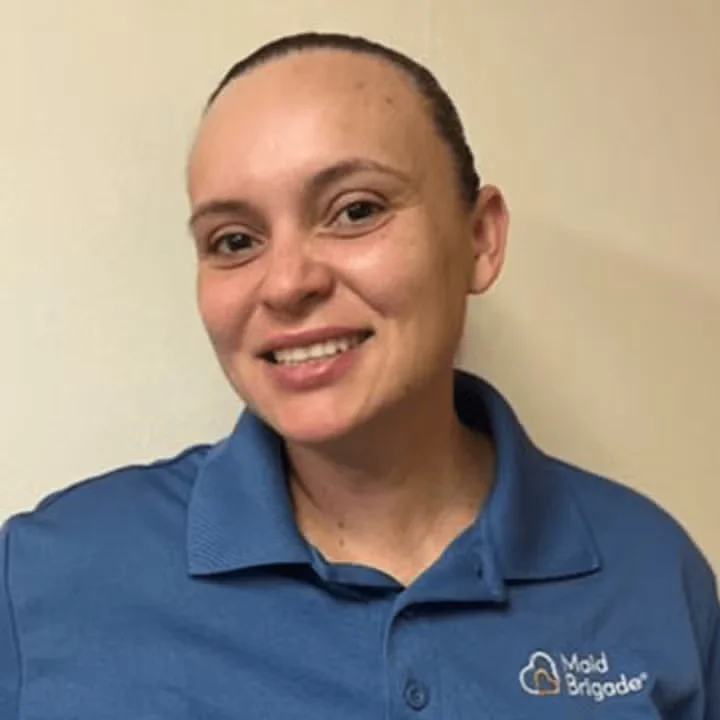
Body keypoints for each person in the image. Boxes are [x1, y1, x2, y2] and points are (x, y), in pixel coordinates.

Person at [0, 32, 717, 719]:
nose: (287, 283)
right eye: (235, 240)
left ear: (480, 238)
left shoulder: (651, 574)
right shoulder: (43, 577)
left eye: (355, 211)